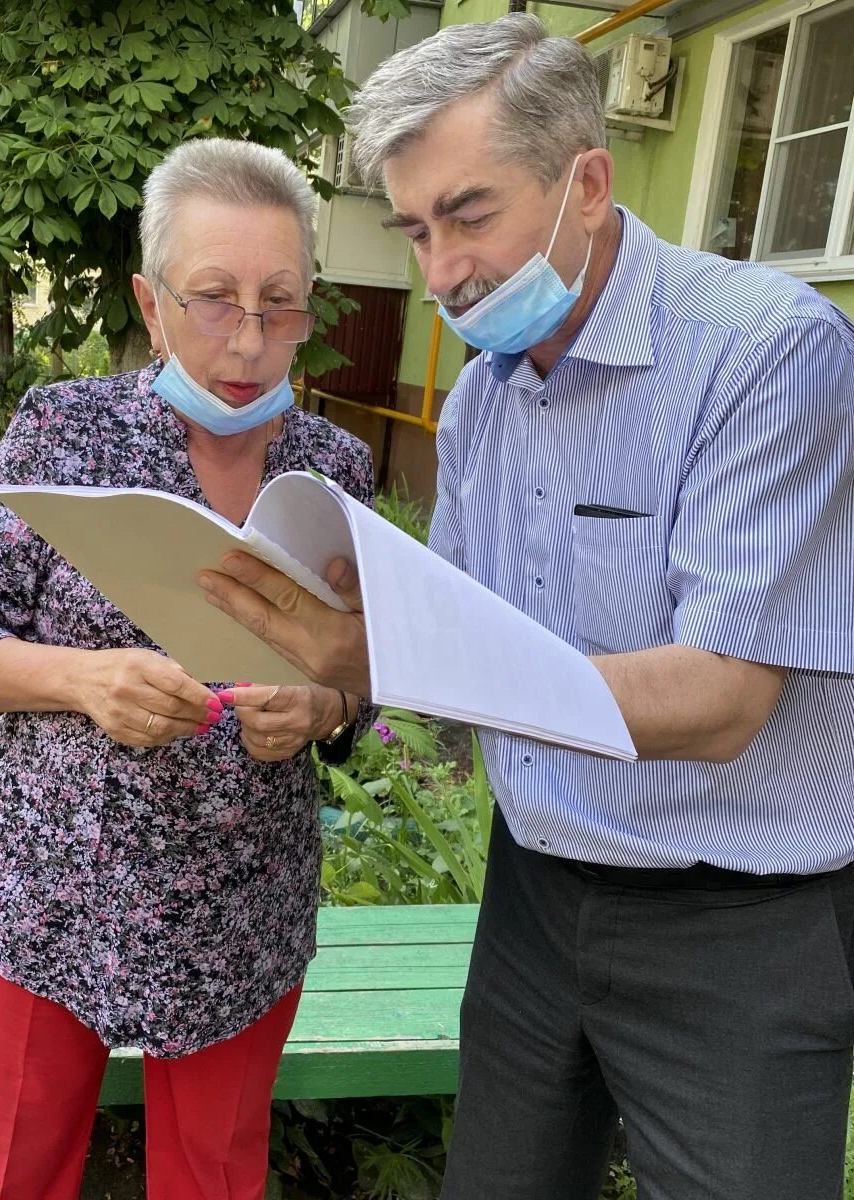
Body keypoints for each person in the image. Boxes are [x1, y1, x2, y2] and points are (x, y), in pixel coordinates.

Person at [196, 14, 854, 1200]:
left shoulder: (765, 354)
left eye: (470, 215)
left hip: (740, 926)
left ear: (587, 184)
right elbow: (463, 632)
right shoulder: (486, 402)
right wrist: (330, 677)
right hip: (535, 898)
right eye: (413, 229)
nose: (441, 273)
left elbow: (721, 698)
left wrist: (391, 652)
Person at [0, 137, 372, 1200]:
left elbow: (367, 674)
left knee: (214, 1181)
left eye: (280, 303)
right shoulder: (61, 430)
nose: (248, 339)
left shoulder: (332, 470)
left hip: (240, 903)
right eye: (213, 298)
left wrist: (324, 706)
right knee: (4, 1173)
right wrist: (81, 680)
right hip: (46, 887)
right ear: (151, 303)